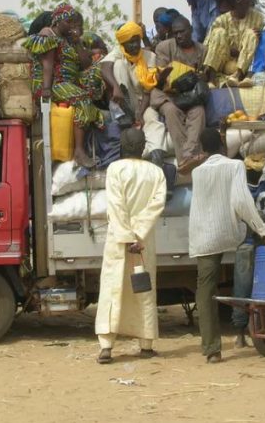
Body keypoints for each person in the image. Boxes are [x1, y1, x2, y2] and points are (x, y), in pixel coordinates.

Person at [189, 128, 265, 363]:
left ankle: (212, 349)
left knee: (205, 291)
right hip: (232, 233)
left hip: (204, 237)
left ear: (201, 149)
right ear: (222, 145)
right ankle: (257, 328)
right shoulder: (235, 166)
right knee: (249, 270)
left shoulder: (197, 172)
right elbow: (242, 201)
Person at [95, 128, 167, 364]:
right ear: (143, 148)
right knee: (144, 290)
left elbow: (116, 204)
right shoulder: (157, 173)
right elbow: (157, 205)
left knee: (112, 289)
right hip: (143, 243)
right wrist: (140, 236)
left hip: (118, 239)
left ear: (123, 147)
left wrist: (126, 236)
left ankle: (106, 347)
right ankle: (146, 345)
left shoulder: (115, 169)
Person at [227, 119, 265, 348]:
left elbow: (225, 157)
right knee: (264, 288)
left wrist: (224, 130)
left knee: (242, 289)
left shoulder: (239, 188)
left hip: (246, 246)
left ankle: (241, 333)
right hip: (264, 247)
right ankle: (259, 329)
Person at [25, 3, 104, 167]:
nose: (72, 26)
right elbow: (48, 64)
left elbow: (85, 63)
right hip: (53, 83)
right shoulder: (48, 34)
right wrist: (46, 90)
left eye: (74, 23)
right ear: (57, 21)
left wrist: (77, 42)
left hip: (70, 81)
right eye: (69, 22)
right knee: (82, 99)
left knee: (98, 69)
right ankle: (79, 151)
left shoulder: (69, 40)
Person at [100, 21, 167, 160]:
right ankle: (124, 112)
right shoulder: (119, 53)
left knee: (153, 120)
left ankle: (156, 156)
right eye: (130, 42)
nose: (135, 45)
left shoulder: (149, 56)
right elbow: (104, 68)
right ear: (123, 44)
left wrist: (140, 113)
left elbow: (148, 89)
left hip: (145, 101)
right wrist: (116, 88)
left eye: (137, 41)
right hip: (125, 100)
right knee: (117, 65)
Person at [151, 16, 208, 174]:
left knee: (199, 111)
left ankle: (190, 154)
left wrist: (203, 77)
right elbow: (159, 78)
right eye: (175, 33)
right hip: (167, 95)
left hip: (190, 96)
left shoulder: (202, 50)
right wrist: (163, 75)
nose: (178, 36)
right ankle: (184, 160)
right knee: (171, 111)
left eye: (182, 32)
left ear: (190, 30)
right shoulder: (164, 47)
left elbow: (208, 75)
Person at [203, 0, 263, 88]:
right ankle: (211, 80)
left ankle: (237, 76)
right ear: (238, 0)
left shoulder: (258, 18)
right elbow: (207, 45)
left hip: (246, 65)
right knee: (218, 32)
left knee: (252, 33)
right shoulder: (221, 20)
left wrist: (260, 36)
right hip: (224, 62)